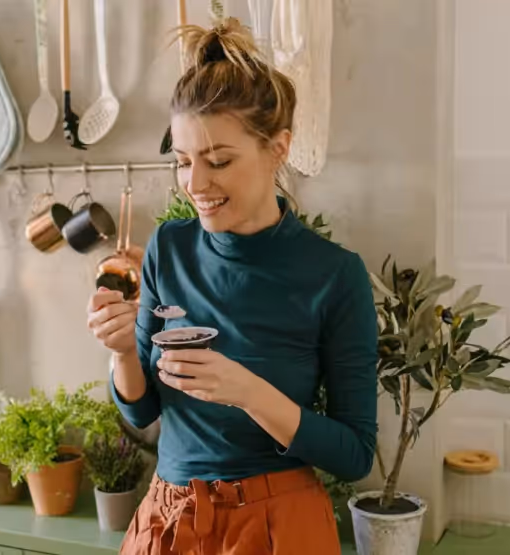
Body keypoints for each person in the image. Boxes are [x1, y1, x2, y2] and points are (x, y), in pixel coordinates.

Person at [87, 17, 378, 555]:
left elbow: (355, 453)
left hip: (278, 526)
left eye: (218, 161)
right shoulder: (168, 249)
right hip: (170, 519)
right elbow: (143, 413)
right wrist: (124, 352)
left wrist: (248, 392)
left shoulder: (334, 275)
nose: (196, 184)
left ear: (278, 148)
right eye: (182, 162)